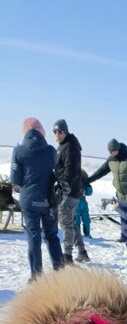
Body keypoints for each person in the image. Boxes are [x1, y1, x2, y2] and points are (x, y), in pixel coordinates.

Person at [10, 118, 64, 280]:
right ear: (41, 131)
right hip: (48, 200)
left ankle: (36, 277)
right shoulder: (51, 151)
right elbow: (57, 172)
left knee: (34, 237)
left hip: (28, 200)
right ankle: (61, 275)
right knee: (52, 236)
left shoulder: (18, 151)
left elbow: (15, 179)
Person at [87, 139, 127, 242]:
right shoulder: (111, 160)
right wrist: (88, 180)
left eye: (113, 151)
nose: (111, 153)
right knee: (124, 217)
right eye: (109, 151)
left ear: (118, 149)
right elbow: (101, 172)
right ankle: (124, 237)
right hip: (120, 194)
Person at [52, 119, 89, 264]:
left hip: (69, 191)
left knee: (66, 224)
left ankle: (67, 256)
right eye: (55, 132)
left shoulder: (70, 147)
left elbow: (70, 171)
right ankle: (82, 252)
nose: (57, 134)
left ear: (65, 131)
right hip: (71, 190)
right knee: (71, 222)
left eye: (60, 132)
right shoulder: (64, 145)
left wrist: (61, 185)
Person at [75, 170, 93, 239]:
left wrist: (88, 186)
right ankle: (77, 234)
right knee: (76, 220)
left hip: (83, 203)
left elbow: (89, 193)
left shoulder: (84, 182)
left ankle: (87, 233)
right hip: (75, 203)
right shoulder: (72, 181)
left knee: (86, 220)